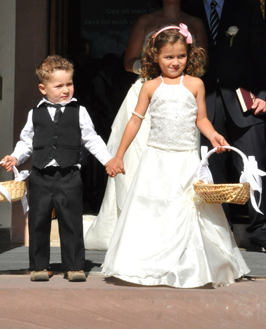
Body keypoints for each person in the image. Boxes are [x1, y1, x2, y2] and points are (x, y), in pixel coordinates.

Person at [102, 24, 250, 288]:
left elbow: (201, 118)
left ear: (189, 55)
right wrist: (119, 155)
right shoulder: (149, 86)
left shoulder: (195, 84)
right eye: (168, 57)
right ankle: (148, 263)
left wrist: (214, 135)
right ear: (155, 57)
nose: (175, 62)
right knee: (153, 209)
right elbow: (135, 121)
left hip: (185, 159)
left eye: (181, 56)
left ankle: (189, 265)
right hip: (156, 160)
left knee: (190, 210)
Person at [84, 0, 208, 250]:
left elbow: (202, 64)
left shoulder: (195, 23)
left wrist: (178, 78)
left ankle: (176, 231)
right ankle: (138, 228)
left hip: (180, 99)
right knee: (139, 160)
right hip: (147, 90)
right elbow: (129, 61)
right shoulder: (145, 21)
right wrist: (153, 71)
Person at [1, 55, 112, 282]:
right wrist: (15, 157)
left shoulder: (79, 111)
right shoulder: (35, 114)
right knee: (38, 221)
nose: (65, 89)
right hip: (40, 175)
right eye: (59, 85)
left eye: (69, 84)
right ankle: (39, 266)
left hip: (70, 175)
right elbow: (26, 141)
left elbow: (92, 139)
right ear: (43, 88)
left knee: (71, 221)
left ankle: (74, 267)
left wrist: (108, 160)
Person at [181, 0, 266, 254]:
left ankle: (259, 231)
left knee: (253, 164)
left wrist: (265, 94)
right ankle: (219, 233)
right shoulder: (188, 7)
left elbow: (262, 53)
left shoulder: (246, 6)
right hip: (203, 101)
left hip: (246, 98)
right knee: (211, 169)